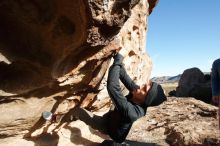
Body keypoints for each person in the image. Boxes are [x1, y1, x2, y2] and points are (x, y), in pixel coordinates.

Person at [58, 53, 167, 144]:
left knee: (79, 111)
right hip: (111, 118)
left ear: (145, 99)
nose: (140, 86)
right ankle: (70, 118)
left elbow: (113, 87)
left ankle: (58, 119)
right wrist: (118, 58)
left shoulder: (132, 113)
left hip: (110, 130)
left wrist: (117, 62)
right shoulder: (138, 93)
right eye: (145, 85)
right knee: (80, 112)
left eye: (144, 89)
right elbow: (123, 76)